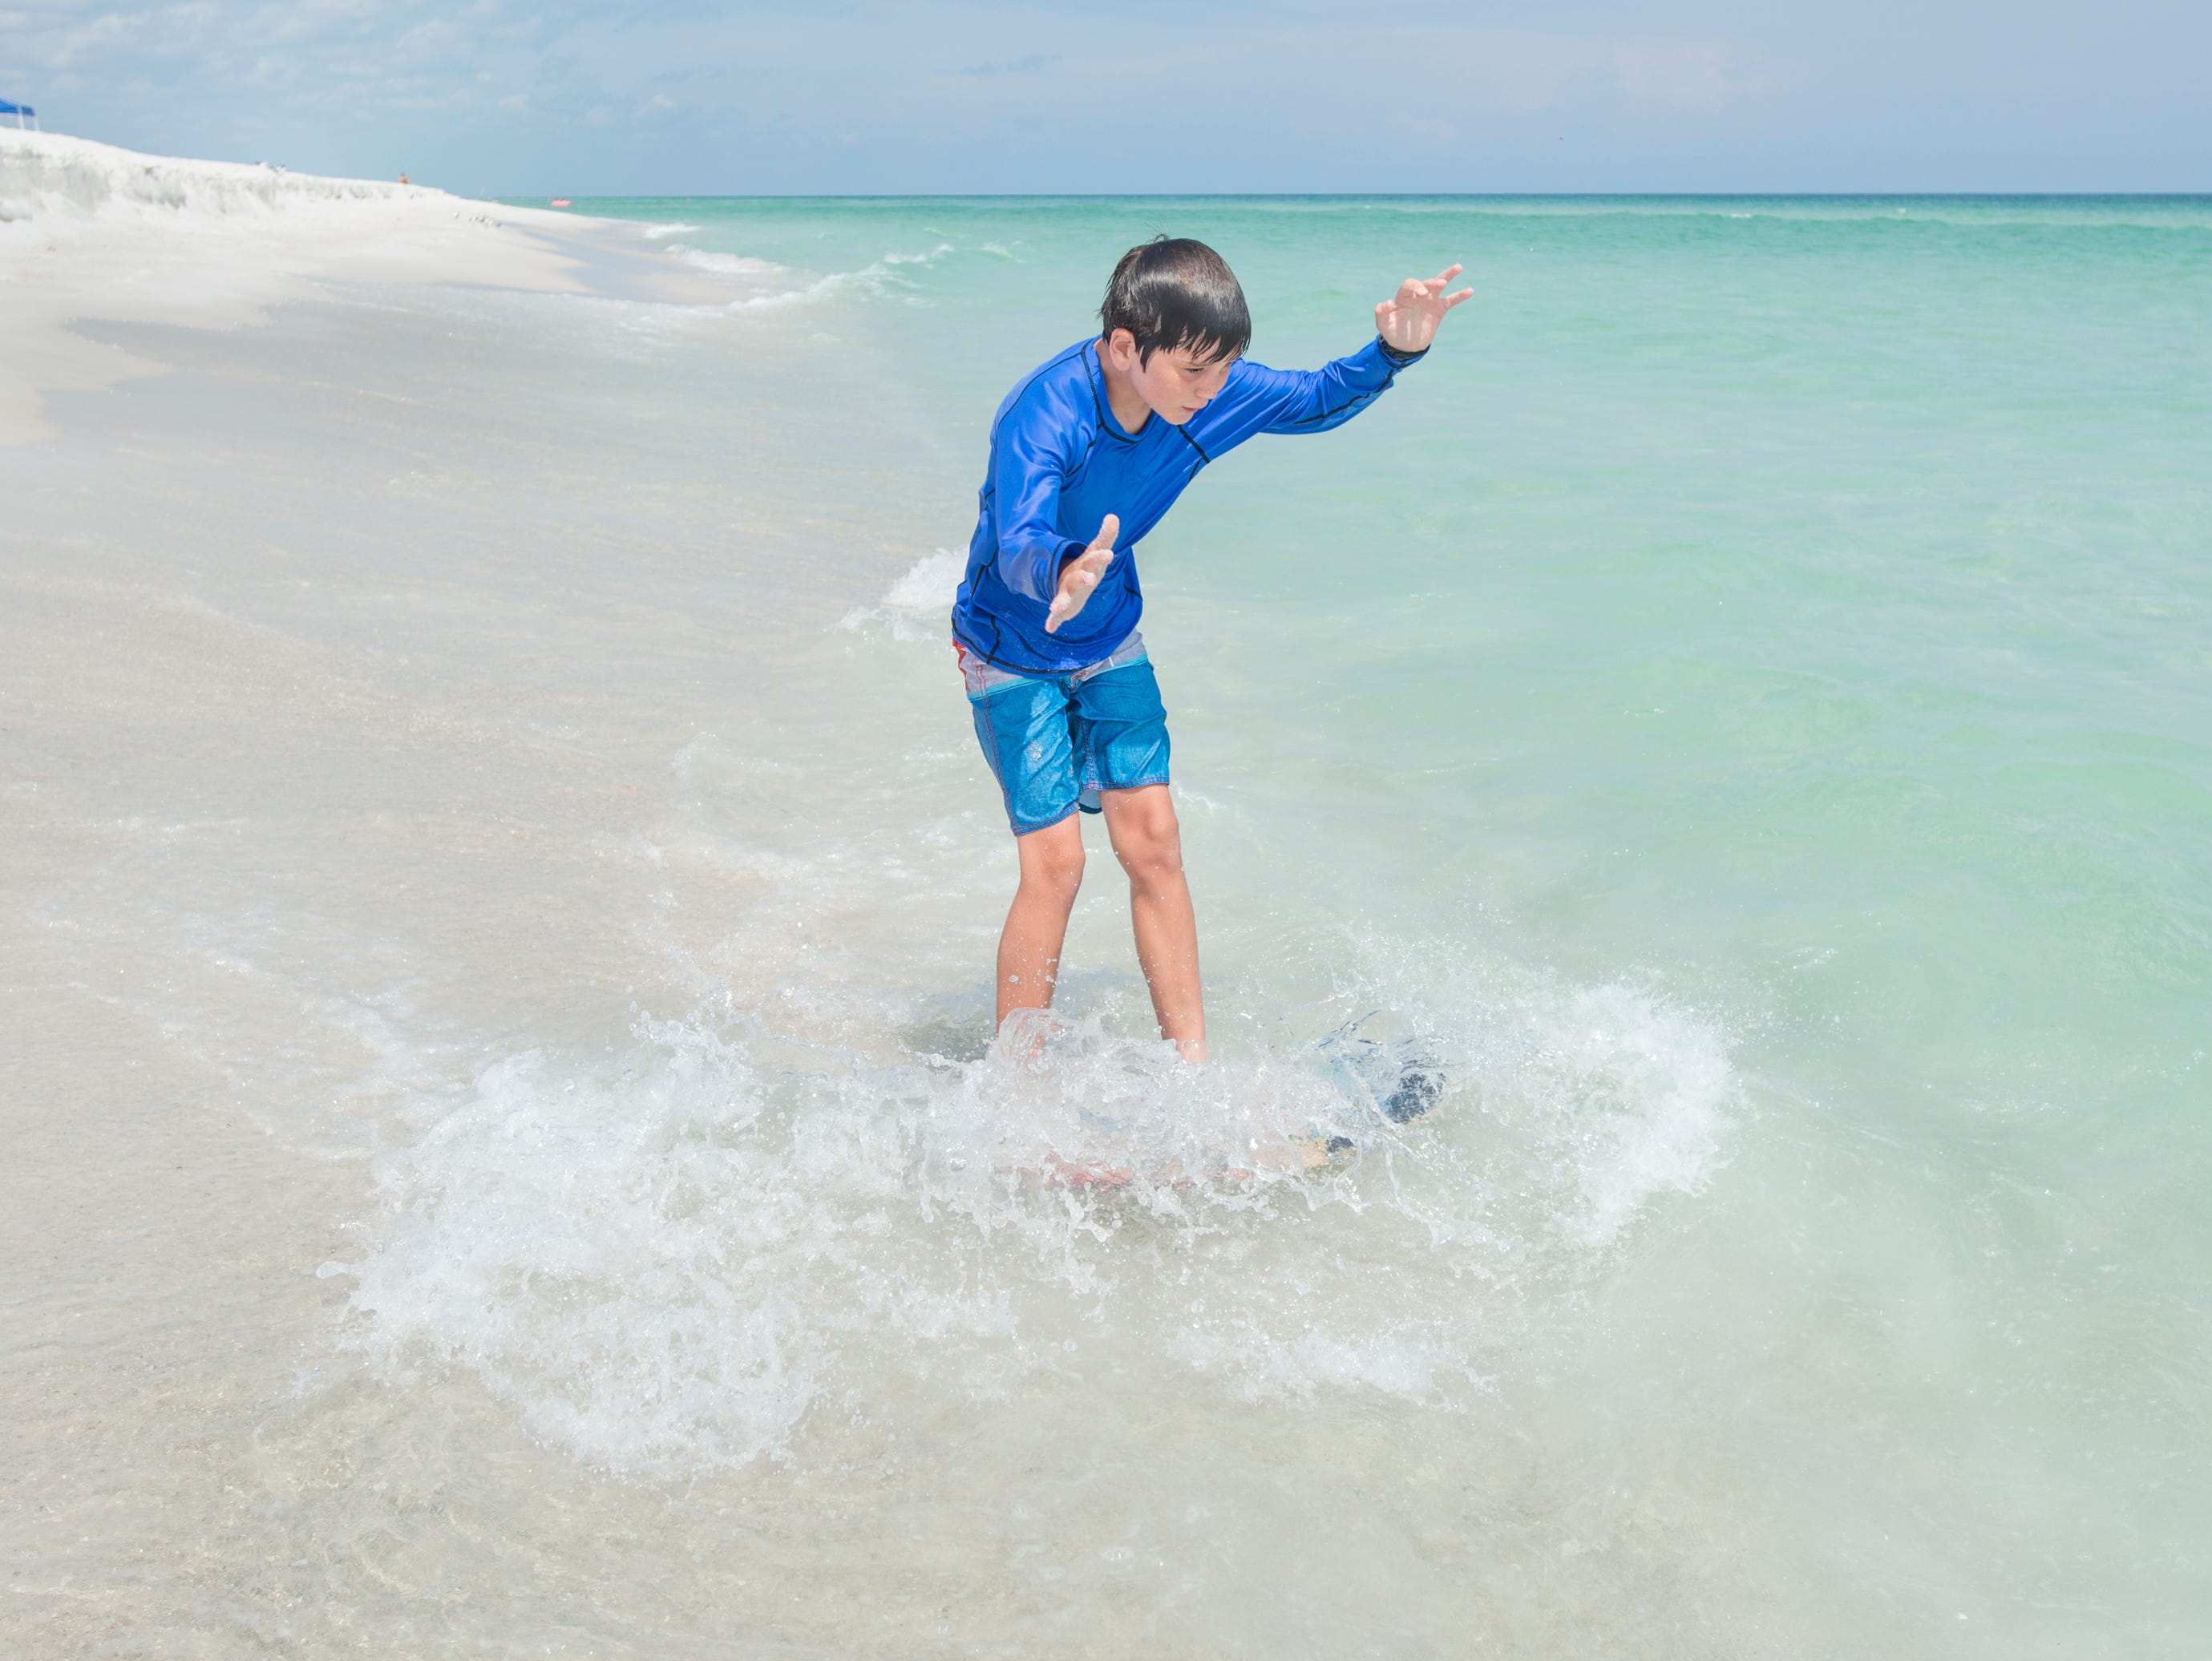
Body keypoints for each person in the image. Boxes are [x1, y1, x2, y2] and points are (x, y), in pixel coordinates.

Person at [950, 237, 1470, 1063]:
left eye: (1222, 369)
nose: (1212, 390)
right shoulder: (1045, 412)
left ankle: (1191, 1076)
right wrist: (1057, 569)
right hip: (1010, 644)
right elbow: (1018, 533)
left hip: (1109, 631)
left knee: (1153, 841)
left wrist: (1394, 352)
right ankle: (1018, 1087)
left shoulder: (1201, 390)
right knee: (1054, 865)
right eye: (1194, 371)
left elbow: (1315, 397)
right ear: (1125, 348)